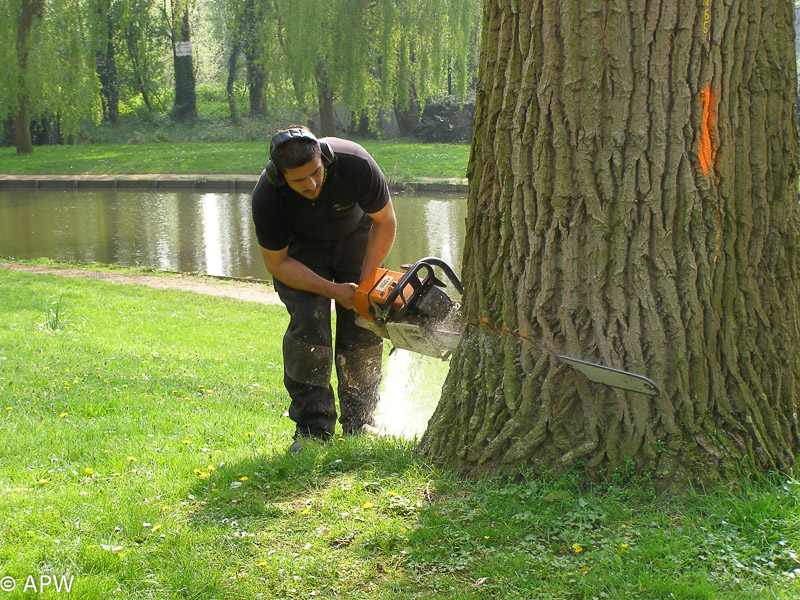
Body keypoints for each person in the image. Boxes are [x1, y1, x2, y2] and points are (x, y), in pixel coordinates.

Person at [251, 126, 397, 452]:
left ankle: (361, 423)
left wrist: (364, 287)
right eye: (299, 180)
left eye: (316, 173)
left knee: (362, 322)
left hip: (355, 239)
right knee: (308, 321)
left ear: (325, 158)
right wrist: (333, 290)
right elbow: (277, 263)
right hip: (301, 253)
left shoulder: (354, 163)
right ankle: (312, 431)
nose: (312, 184)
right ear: (281, 177)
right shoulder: (267, 196)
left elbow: (385, 221)